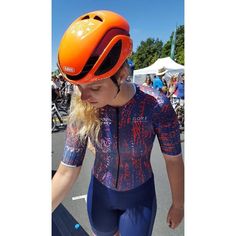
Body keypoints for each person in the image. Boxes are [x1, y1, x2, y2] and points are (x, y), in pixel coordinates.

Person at [52, 10, 184, 236]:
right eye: (79, 86)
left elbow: (173, 160)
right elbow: (66, 171)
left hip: (139, 198)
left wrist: (179, 203)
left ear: (121, 75)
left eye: (94, 87)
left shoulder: (156, 105)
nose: (84, 98)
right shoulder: (81, 107)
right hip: (100, 197)